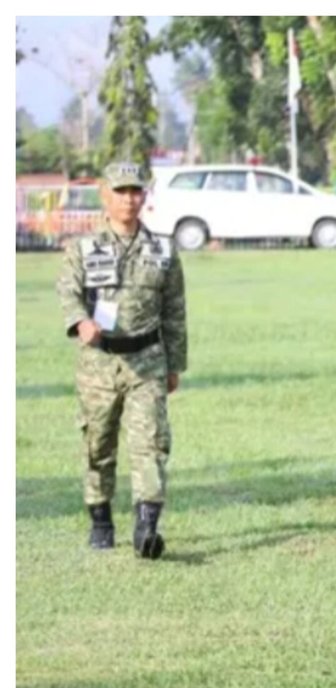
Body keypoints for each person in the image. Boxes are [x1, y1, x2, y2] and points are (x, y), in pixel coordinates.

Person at [55, 157, 187, 558]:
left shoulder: (163, 250)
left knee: (149, 442)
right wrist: (80, 322)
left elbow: (175, 310)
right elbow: (68, 293)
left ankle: (146, 526)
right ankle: (100, 517)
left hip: (147, 359)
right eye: (121, 192)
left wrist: (175, 364)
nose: (129, 200)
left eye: (136, 191)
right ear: (104, 196)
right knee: (99, 444)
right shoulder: (83, 248)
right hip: (98, 364)